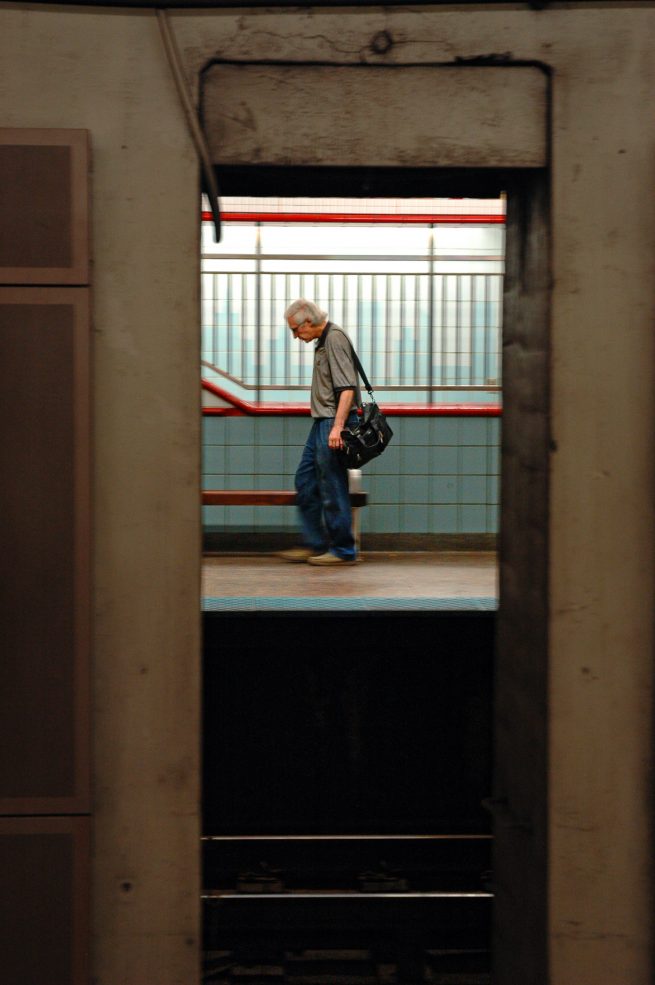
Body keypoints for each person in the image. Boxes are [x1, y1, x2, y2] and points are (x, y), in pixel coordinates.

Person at [280, 298, 361, 566]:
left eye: (295, 329)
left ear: (308, 322)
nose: (294, 336)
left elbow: (347, 388)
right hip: (321, 422)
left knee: (331, 485)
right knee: (305, 481)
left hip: (332, 423)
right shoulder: (322, 342)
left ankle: (342, 550)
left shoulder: (335, 339)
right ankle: (315, 543)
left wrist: (338, 427)